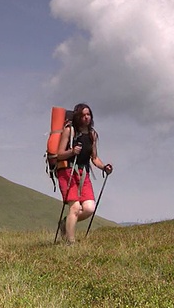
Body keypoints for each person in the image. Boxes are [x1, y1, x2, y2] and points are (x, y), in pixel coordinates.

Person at [56, 103, 113, 244]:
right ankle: (71, 242)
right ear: (78, 117)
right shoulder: (70, 131)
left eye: (88, 115)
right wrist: (72, 152)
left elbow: (94, 158)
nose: (86, 118)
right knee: (75, 207)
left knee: (89, 208)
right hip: (67, 171)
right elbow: (59, 154)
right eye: (83, 115)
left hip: (83, 173)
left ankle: (65, 223)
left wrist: (104, 167)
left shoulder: (92, 134)